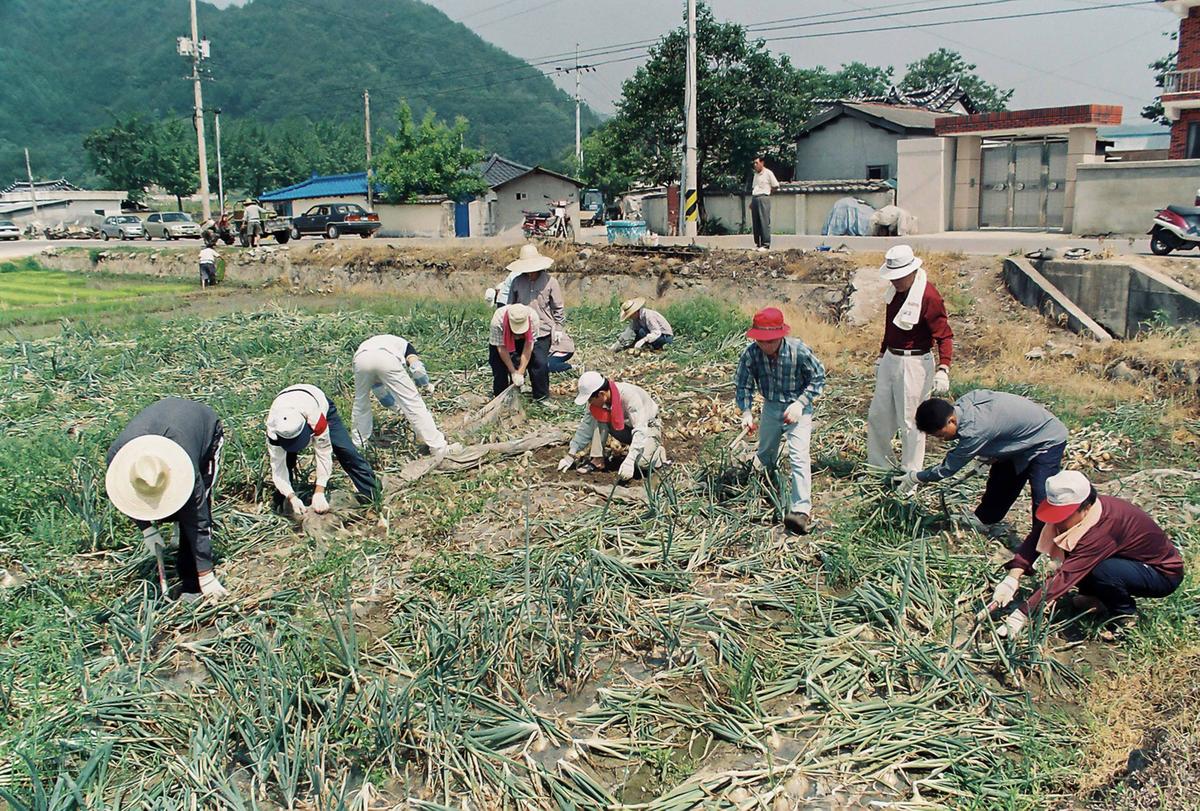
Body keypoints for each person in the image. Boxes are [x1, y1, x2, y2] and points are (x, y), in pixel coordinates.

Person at [986, 470, 1184, 639]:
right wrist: (1012, 578)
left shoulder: (1104, 526)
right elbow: (1038, 534)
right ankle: (1097, 599)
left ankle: (1124, 615)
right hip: (1125, 561)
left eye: (1063, 517)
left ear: (1086, 507)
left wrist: (1022, 614)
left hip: (1160, 574)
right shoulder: (1082, 516)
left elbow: (1069, 574)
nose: (1058, 522)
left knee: (1101, 570)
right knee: (1090, 565)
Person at [900, 390, 1068, 543]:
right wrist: (990, 451)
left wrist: (915, 477)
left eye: (941, 434)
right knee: (1002, 479)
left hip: (1046, 439)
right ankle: (986, 519)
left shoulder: (974, 429)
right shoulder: (965, 404)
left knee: (1042, 494)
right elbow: (998, 423)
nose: (942, 440)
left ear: (951, 420)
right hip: (1019, 439)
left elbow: (947, 469)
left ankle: (1045, 542)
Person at [105, 398, 227, 599]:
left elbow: (198, 519)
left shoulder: (188, 468)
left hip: (202, 426)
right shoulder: (118, 460)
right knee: (171, 505)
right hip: (168, 421)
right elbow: (125, 496)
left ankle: (191, 582)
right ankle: (179, 538)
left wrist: (205, 576)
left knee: (194, 507)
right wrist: (146, 529)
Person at [735, 307, 826, 535]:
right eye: (761, 341)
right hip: (771, 406)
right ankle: (763, 488)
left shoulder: (799, 351)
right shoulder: (751, 353)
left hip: (798, 408)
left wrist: (800, 403)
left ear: (780, 336)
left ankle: (801, 510)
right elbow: (743, 383)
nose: (765, 346)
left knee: (798, 456)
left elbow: (818, 377)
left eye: (770, 341)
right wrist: (746, 411)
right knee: (765, 452)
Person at [867, 245, 953, 472]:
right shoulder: (895, 293)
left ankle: (910, 474)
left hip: (914, 362)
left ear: (912, 272)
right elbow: (891, 327)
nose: (894, 282)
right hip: (891, 358)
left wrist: (943, 368)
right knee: (879, 415)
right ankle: (879, 467)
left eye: (899, 278)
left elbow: (944, 335)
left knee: (911, 421)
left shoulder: (928, 296)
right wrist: (881, 354)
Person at [266, 383, 377, 516]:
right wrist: (292, 497)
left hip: (317, 400)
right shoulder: (274, 429)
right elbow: (277, 467)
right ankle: (285, 505)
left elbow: (323, 454)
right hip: (288, 401)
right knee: (287, 462)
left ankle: (374, 494)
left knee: (346, 451)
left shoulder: (315, 417)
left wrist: (319, 491)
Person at [558, 371, 667, 481]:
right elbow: (586, 426)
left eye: (590, 399)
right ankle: (597, 460)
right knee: (597, 416)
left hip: (648, 428)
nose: (589, 403)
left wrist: (630, 460)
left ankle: (658, 454)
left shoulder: (630, 397)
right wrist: (571, 454)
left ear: (601, 394)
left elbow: (640, 430)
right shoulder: (598, 401)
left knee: (642, 463)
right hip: (625, 429)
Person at [351, 334, 449, 453]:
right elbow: (417, 370)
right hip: (385, 357)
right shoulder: (407, 346)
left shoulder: (372, 343)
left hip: (361, 359)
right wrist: (426, 385)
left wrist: (397, 409)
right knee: (413, 402)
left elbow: (380, 393)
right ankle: (438, 447)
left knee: (361, 404)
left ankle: (359, 446)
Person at [507, 244, 564, 400]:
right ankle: (518, 393)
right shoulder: (517, 282)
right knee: (518, 361)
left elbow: (558, 307)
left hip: (542, 329)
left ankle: (541, 397)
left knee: (539, 363)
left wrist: (558, 327)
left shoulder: (550, 282)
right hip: (520, 329)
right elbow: (510, 306)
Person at [488, 303, 540, 397]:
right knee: (499, 369)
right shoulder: (497, 321)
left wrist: (520, 372)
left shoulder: (533, 318)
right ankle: (500, 396)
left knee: (518, 363)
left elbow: (528, 346)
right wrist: (512, 371)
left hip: (524, 338)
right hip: (501, 340)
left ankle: (516, 394)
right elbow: (501, 348)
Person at [750, 156, 780, 252]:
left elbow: (776, 185)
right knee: (756, 222)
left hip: (764, 197)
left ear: (762, 163)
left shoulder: (768, 173)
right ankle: (758, 244)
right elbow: (755, 188)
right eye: (754, 163)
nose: (755, 165)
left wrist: (768, 192)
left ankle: (765, 244)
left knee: (764, 221)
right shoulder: (755, 175)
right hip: (755, 198)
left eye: (756, 163)